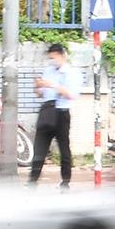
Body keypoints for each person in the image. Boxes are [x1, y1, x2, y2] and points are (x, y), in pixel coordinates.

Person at [30, 42, 82, 188]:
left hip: (62, 113)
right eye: (51, 58)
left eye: (55, 58)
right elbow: (41, 94)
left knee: (64, 148)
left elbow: (71, 95)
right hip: (47, 110)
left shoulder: (72, 73)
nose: (53, 61)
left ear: (63, 56)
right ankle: (32, 180)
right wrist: (38, 86)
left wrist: (52, 85)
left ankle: (65, 181)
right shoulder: (48, 71)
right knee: (40, 147)